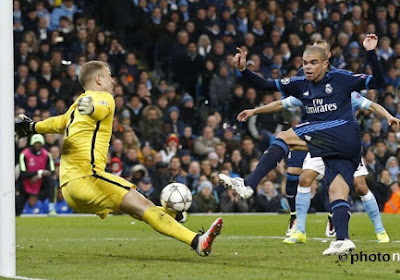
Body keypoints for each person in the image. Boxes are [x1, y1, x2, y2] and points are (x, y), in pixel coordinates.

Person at [15, 61, 222, 257]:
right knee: (144, 206)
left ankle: (174, 215)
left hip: (69, 189)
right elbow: (101, 108)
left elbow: (58, 122)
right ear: (98, 79)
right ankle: (197, 241)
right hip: (89, 178)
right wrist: (93, 109)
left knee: (137, 209)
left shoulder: (76, 106)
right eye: (109, 76)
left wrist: (32, 127)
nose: (113, 81)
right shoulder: (102, 98)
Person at [220, 34, 384, 255]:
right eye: (305, 63)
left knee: (285, 137)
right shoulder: (300, 84)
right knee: (337, 192)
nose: (308, 67)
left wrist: (371, 52)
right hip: (345, 147)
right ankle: (343, 240)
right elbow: (265, 85)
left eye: (313, 63)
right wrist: (243, 70)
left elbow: (379, 83)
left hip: (340, 131)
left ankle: (249, 184)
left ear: (326, 64)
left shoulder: (341, 79)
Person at [236, 90, 397, 244]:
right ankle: (299, 231)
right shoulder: (311, 91)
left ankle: (380, 229)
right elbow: (281, 104)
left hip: (342, 144)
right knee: (304, 179)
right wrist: (255, 111)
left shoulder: (346, 91)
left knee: (360, 186)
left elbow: (372, 105)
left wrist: (388, 116)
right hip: (318, 141)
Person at [16, 134, 56, 216]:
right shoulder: (24, 154)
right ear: (32, 143)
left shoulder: (47, 154)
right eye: (36, 143)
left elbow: (51, 171)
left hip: (41, 184)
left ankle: (51, 207)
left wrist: (39, 176)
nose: (38, 145)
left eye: (40, 143)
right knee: (18, 204)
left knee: (51, 181)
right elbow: (23, 173)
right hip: (27, 182)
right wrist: (39, 172)